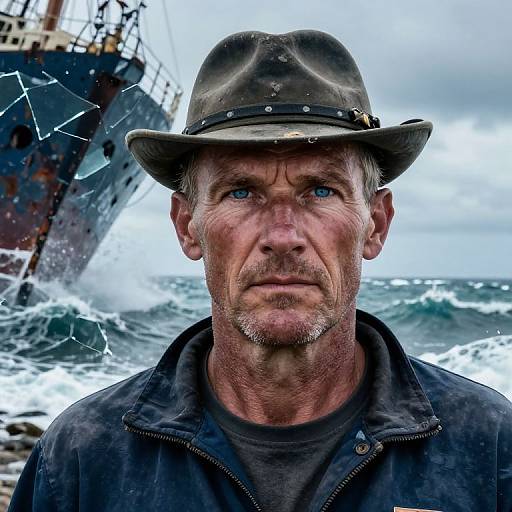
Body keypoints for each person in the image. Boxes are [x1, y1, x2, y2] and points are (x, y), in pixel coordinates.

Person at [9, 30, 511, 512]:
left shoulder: (488, 450)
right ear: (188, 226)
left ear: (375, 224)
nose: (282, 235)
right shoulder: (82, 460)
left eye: (320, 190)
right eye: (241, 191)